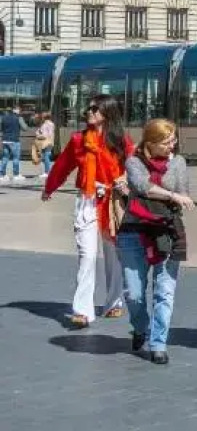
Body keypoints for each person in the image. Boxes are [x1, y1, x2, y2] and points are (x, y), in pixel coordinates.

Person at [42, 94, 132, 328]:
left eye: (95, 108)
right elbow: (62, 166)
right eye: (89, 108)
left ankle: (113, 301)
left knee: (114, 255)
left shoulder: (122, 141)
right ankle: (82, 310)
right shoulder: (78, 140)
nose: (89, 112)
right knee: (87, 256)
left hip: (112, 203)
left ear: (108, 113)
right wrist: (49, 187)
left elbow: (135, 166)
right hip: (87, 201)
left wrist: (127, 181)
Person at [116, 118, 193, 365]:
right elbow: (143, 187)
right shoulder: (134, 161)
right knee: (135, 294)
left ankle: (158, 343)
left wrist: (178, 197)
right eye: (167, 142)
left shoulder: (178, 162)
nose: (173, 145)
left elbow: (184, 192)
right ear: (151, 143)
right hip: (134, 230)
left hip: (167, 231)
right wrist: (171, 196)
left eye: (173, 140)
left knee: (164, 292)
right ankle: (140, 327)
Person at [0, 104, 22, 182]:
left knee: (5, 158)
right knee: (15, 158)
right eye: (19, 110)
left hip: (5, 140)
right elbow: (25, 128)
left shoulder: (3, 118)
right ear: (15, 110)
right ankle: (16, 175)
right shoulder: (18, 118)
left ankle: (2, 175)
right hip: (14, 140)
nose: (19, 111)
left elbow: (1, 128)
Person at [34, 111, 55, 176]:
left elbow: (46, 134)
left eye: (42, 116)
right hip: (46, 142)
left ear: (44, 117)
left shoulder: (48, 124)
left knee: (46, 157)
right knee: (44, 157)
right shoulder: (46, 124)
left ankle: (47, 172)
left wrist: (38, 135)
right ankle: (47, 171)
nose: (41, 118)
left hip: (47, 142)